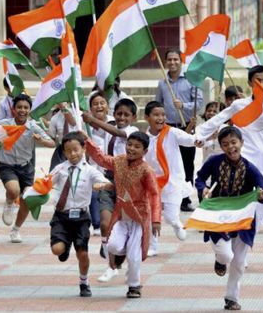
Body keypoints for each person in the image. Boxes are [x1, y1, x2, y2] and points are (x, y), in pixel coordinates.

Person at [195, 65, 263, 228]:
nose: (262, 84)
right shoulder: (240, 105)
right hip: (245, 162)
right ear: (249, 83)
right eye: (257, 81)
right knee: (239, 203)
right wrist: (200, 135)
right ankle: (228, 230)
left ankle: (245, 235)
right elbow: (218, 119)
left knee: (258, 216)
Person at [195, 126, 263, 311]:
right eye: (225, 144)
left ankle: (231, 298)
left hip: (242, 219)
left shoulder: (250, 168)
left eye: (234, 142)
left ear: (241, 143)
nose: (230, 147)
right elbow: (200, 178)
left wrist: (261, 195)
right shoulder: (214, 161)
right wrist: (203, 188)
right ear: (221, 146)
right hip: (218, 215)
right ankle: (220, 259)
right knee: (226, 255)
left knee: (238, 262)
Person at [84, 131, 161, 298]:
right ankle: (122, 255)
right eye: (129, 144)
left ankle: (134, 286)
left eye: (137, 146)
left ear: (145, 151)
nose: (131, 148)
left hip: (139, 217)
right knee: (112, 246)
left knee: (134, 256)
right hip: (120, 214)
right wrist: (86, 140)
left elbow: (155, 194)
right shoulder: (118, 161)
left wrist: (156, 220)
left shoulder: (146, 170)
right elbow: (101, 159)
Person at [49, 131, 113, 297]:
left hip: (81, 219)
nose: (72, 154)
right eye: (68, 151)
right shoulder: (60, 169)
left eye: (76, 149)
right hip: (61, 217)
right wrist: (35, 189)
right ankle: (64, 247)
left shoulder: (89, 171)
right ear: (64, 152)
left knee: (83, 254)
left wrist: (102, 186)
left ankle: (84, 282)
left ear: (83, 149)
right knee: (57, 250)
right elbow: (46, 182)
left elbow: (106, 182)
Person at [82, 98, 139, 282]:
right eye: (118, 113)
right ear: (113, 114)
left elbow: (117, 132)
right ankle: (111, 266)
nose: (121, 117)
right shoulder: (107, 128)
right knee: (105, 224)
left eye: (126, 115)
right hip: (108, 179)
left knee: (128, 229)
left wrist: (93, 120)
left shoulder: (132, 131)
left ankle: (129, 265)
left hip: (128, 182)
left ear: (133, 117)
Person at [143, 101, 203, 256]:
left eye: (163, 114)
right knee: (151, 216)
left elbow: (189, 140)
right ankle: (153, 247)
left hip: (172, 183)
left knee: (170, 217)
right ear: (146, 117)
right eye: (156, 115)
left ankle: (177, 224)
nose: (160, 118)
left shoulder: (172, 132)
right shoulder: (144, 138)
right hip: (152, 184)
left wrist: (196, 141)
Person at [0, 94, 56, 243]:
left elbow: (52, 143)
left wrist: (41, 139)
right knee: (13, 190)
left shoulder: (33, 126)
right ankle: (10, 202)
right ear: (13, 109)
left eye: (25, 107)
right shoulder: (4, 124)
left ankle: (16, 230)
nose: (22, 110)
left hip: (26, 168)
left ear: (29, 110)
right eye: (19, 107)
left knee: (27, 200)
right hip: (7, 165)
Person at [155, 49, 204, 212]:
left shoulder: (191, 80)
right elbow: (158, 104)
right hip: (168, 128)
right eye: (169, 60)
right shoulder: (162, 83)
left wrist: (183, 106)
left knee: (187, 163)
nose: (172, 62)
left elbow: (199, 104)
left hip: (186, 127)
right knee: (168, 162)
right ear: (166, 61)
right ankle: (168, 196)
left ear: (181, 61)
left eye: (176, 59)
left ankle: (185, 198)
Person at [85, 91, 115, 237]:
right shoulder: (84, 125)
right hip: (93, 167)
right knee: (94, 194)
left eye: (102, 103)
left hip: (110, 166)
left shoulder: (113, 123)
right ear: (90, 108)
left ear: (108, 107)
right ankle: (96, 223)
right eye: (95, 104)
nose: (99, 106)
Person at [47, 102, 77, 172]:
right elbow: (52, 138)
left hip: (77, 148)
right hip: (63, 150)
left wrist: (64, 109)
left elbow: (73, 123)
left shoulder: (77, 113)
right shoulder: (54, 118)